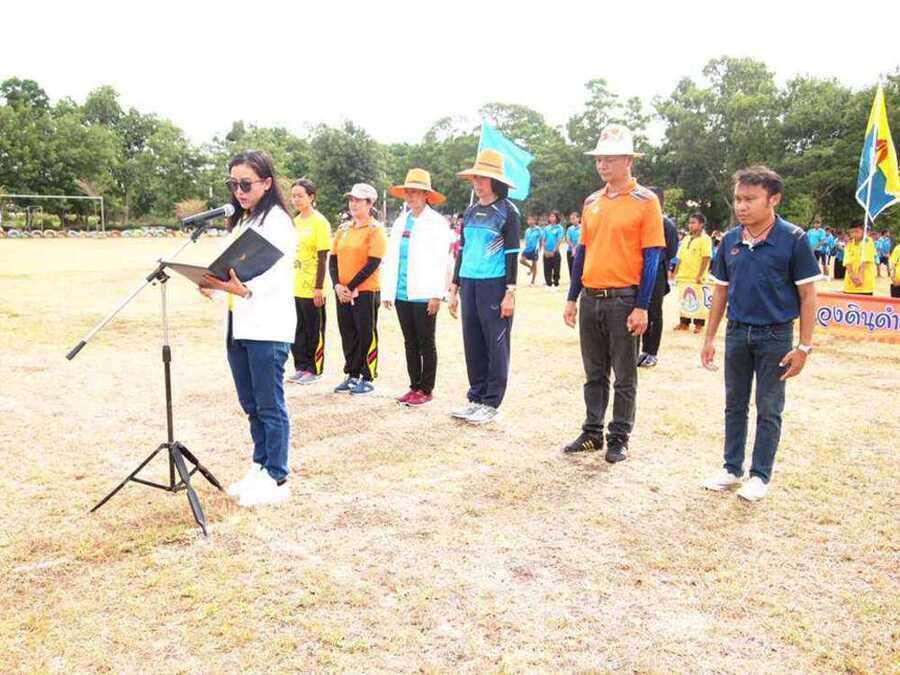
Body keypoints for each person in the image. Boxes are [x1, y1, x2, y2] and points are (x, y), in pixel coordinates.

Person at [701, 166, 821, 502]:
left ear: (773, 199)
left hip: (776, 337)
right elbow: (721, 291)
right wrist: (709, 338)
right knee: (734, 404)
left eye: (750, 199)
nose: (741, 206)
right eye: (738, 199)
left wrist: (804, 347)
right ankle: (731, 468)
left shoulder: (794, 239)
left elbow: (808, 296)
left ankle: (759, 475)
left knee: (769, 407)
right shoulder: (729, 240)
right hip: (737, 333)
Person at [562, 125, 664, 462]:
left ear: (628, 160)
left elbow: (652, 257)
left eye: (609, 158)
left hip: (624, 299)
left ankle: (619, 436)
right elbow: (582, 252)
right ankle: (592, 431)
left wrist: (642, 306)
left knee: (624, 374)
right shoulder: (592, 201)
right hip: (591, 297)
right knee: (594, 372)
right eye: (598, 159)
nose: (602, 165)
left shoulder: (646, 201)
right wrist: (572, 297)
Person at [201, 150, 298, 507]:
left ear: (267, 183)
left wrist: (240, 289)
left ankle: (277, 476)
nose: (239, 192)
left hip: (267, 326)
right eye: (234, 184)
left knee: (269, 404)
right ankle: (260, 466)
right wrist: (210, 283)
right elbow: (228, 268)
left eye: (246, 184)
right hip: (239, 323)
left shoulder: (277, 222)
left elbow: (273, 276)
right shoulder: (242, 221)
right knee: (251, 403)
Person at [448, 149, 520, 425]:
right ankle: (476, 397)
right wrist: (454, 287)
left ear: (495, 181)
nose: (477, 183)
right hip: (469, 283)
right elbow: (462, 251)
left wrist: (509, 293)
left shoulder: (507, 211)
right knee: (473, 342)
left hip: (494, 285)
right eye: (475, 178)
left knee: (495, 343)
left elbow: (512, 255)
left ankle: (491, 402)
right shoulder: (469, 211)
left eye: (483, 178)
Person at [381, 169, 452, 407]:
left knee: (425, 342)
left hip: (425, 293)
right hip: (402, 292)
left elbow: (442, 261)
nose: (411, 196)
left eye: (416, 192)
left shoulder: (436, 223)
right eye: (408, 192)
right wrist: (388, 290)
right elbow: (392, 257)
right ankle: (414, 386)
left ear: (426, 195)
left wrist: (437, 294)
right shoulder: (401, 221)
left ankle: (426, 389)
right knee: (409, 342)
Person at [330, 183, 388, 395]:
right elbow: (333, 259)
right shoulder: (344, 229)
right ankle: (352, 373)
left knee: (366, 333)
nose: (353, 204)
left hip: (365, 291)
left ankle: (367, 375)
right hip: (342, 291)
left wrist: (350, 286)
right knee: (347, 332)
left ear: (370, 204)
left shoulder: (375, 230)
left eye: (358, 200)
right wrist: (337, 285)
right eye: (351, 200)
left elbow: (373, 262)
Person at [287, 178, 331, 385]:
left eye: (300, 195)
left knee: (314, 329)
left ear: (311, 197)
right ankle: (301, 366)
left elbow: (323, 257)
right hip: (295, 285)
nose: (296, 199)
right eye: (293, 196)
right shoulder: (294, 222)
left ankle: (314, 369)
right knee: (298, 329)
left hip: (313, 286)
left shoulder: (319, 222)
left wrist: (318, 287)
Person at [638, 188, 679, 368]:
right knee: (640, 310)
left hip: (657, 273)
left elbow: (671, 251)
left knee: (654, 312)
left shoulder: (666, 224)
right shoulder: (640, 221)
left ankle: (652, 352)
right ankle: (642, 350)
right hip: (638, 273)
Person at [673, 213, 713, 334]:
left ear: (701, 225)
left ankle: (699, 324)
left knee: (698, 300)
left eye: (693, 223)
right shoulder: (686, 239)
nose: (690, 225)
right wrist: (675, 271)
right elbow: (679, 257)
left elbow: (706, 257)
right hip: (683, 276)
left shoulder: (705, 239)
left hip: (697, 277)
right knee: (684, 299)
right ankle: (684, 323)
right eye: (689, 223)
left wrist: (700, 275)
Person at [843, 221, 876, 296]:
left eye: (856, 231)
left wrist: (860, 276)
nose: (854, 234)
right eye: (851, 232)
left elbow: (866, 260)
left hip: (864, 283)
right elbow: (847, 261)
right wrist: (852, 276)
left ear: (863, 231)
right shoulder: (849, 243)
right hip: (850, 284)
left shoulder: (868, 241)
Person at [519, 214, 544, 285]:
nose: (530, 221)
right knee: (521, 260)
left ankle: (532, 281)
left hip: (535, 249)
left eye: (532, 220)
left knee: (534, 263)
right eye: (529, 220)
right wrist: (526, 246)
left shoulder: (538, 229)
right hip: (527, 249)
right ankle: (530, 268)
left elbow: (541, 239)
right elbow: (526, 240)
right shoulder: (527, 230)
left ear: (535, 221)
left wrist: (540, 248)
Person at [542, 210, 565, 287]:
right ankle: (548, 282)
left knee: (556, 268)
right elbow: (543, 240)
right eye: (550, 216)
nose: (551, 218)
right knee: (547, 269)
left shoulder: (560, 228)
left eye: (553, 216)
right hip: (547, 252)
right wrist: (545, 251)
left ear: (556, 218)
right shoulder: (546, 228)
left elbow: (559, 240)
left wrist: (554, 251)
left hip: (555, 252)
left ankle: (556, 282)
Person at [565, 211, 581, 277]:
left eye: (574, 218)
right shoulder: (570, 229)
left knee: (580, 268)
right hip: (570, 251)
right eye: (571, 219)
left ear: (578, 218)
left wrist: (576, 247)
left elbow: (581, 239)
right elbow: (568, 239)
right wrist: (573, 247)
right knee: (571, 268)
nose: (572, 220)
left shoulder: (582, 228)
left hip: (580, 251)